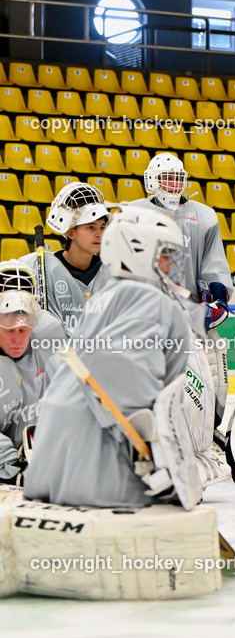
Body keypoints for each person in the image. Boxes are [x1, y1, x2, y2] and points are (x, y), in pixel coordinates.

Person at [24, 207, 195, 508]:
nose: (172, 266)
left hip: (51, 456)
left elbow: (62, 367)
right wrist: (157, 457)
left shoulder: (104, 297)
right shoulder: (150, 299)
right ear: (138, 253)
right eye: (166, 255)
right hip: (93, 468)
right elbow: (123, 376)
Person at [129, 153, 233, 428]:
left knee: (212, 379)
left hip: (193, 316)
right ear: (152, 180)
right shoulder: (134, 213)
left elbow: (214, 263)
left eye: (178, 178)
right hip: (149, 317)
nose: (174, 184)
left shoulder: (204, 215)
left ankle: (209, 434)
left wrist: (219, 299)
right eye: (167, 178)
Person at [0, 260, 66, 484]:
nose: (18, 339)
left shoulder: (51, 331)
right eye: (8, 329)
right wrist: (14, 466)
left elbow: (72, 395)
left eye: (24, 329)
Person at [21, 182, 110, 334]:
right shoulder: (35, 266)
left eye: (102, 227)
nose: (99, 234)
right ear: (71, 233)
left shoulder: (111, 272)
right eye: (91, 227)